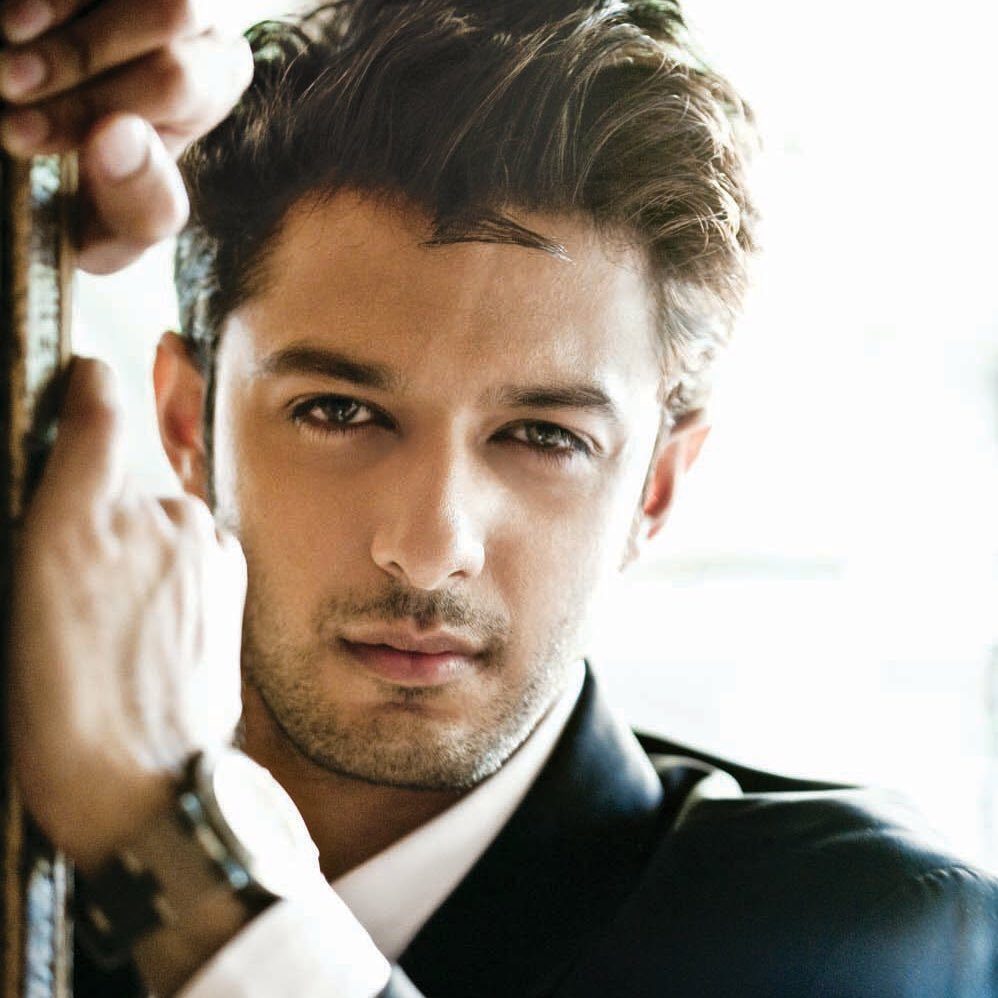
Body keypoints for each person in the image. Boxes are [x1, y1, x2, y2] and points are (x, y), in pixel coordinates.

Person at [7, 1, 997, 996]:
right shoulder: (32, 840)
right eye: (340, 412)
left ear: (656, 487)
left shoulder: (858, 931)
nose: (430, 545)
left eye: (543, 437)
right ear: (188, 423)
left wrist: (175, 851)